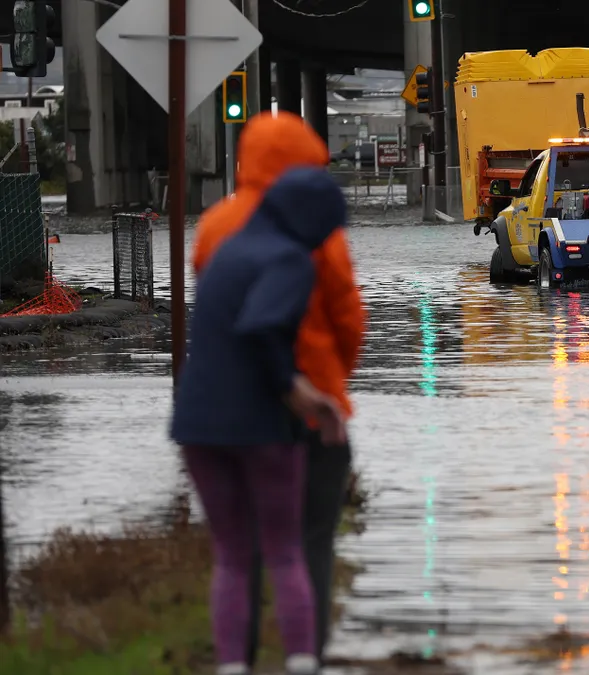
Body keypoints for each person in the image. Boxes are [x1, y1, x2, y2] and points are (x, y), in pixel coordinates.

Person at [192, 111, 366, 668]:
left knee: (237, 550)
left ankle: (235, 658)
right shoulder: (315, 230)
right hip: (309, 406)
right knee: (307, 540)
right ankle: (305, 654)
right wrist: (333, 381)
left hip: (230, 407)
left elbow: (212, 303)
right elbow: (348, 316)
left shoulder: (216, 224)